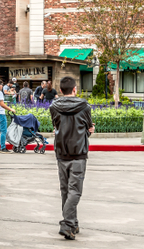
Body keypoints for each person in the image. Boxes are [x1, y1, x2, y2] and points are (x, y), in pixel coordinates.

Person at [50, 76, 94, 241]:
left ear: (61, 90)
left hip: (61, 152)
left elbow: (56, 127)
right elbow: (89, 129)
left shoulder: (54, 107)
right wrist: (90, 131)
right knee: (75, 191)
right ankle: (67, 224)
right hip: (78, 153)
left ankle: (73, 223)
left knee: (65, 190)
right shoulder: (84, 107)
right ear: (75, 89)